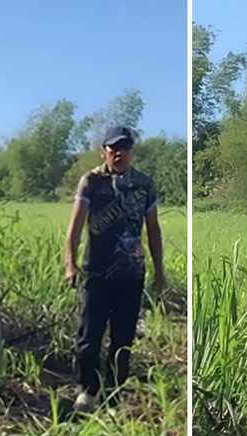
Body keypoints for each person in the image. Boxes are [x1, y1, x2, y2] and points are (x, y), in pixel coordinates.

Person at [63, 126, 165, 413]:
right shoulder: (91, 182)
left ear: (132, 151)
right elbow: (75, 229)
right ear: (104, 152)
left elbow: (154, 230)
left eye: (124, 148)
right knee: (89, 337)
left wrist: (159, 271)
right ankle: (88, 392)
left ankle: (113, 396)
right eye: (113, 148)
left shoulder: (144, 184)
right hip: (96, 273)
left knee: (123, 340)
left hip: (131, 275)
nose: (119, 153)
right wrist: (70, 265)